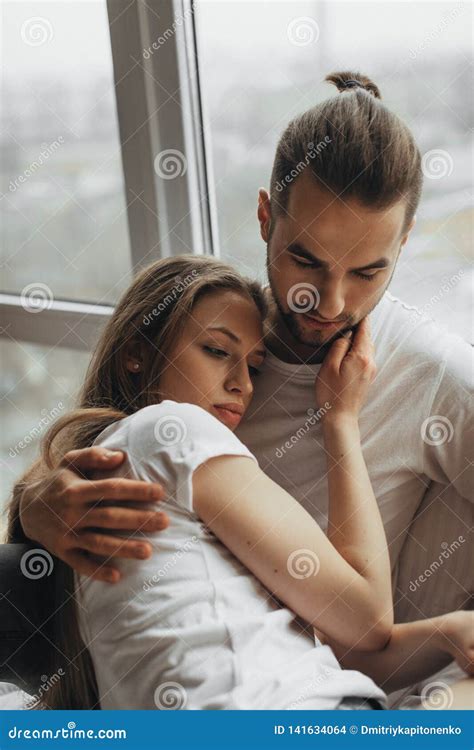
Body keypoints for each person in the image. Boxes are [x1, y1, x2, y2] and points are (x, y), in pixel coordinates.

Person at [9, 71, 473, 703]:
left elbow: (365, 625)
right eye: (305, 260)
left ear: (404, 242)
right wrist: (35, 506)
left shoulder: (434, 376)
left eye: (368, 271)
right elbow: (130, 434)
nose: (329, 302)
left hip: (358, 679)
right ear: (264, 218)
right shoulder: (210, 352)